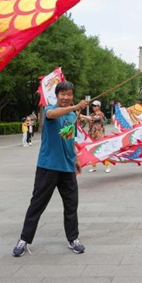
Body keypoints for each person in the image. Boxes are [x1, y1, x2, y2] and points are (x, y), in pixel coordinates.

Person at [13, 81, 89, 257]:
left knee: (71, 205)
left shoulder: (72, 117)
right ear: (57, 95)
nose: (66, 97)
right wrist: (76, 107)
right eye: (63, 94)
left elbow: (68, 138)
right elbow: (53, 114)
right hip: (48, 166)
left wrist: (75, 158)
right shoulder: (49, 110)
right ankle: (24, 240)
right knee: (37, 205)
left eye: (69, 94)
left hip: (67, 168)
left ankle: (73, 239)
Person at [87, 101, 111, 173]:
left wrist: (82, 116)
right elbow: (87, 120)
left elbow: (93, 118)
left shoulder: (101, 114)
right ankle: (93, 166)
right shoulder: (92, 114)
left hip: (99, 135)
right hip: (92, 135)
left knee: (102, 151)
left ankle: (108, 166)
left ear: (99, 106)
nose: (93, 107)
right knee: (93, 151)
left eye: (95, 106)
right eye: (93, 106)